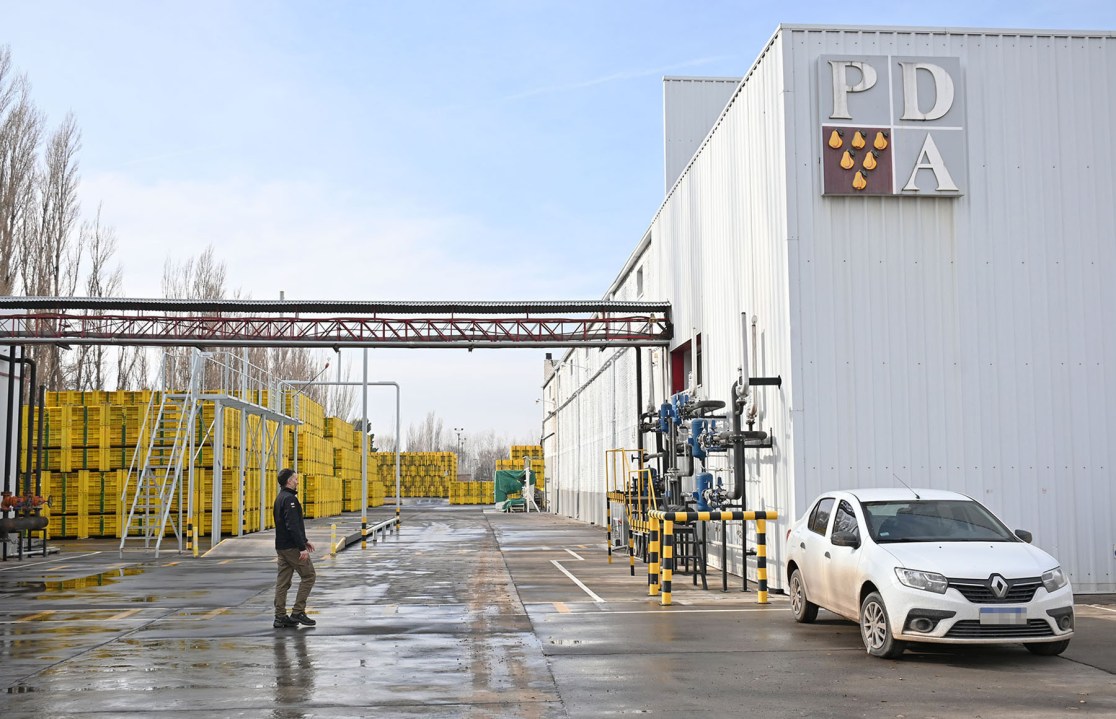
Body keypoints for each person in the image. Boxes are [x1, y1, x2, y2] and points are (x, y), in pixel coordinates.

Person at [273, 468, 317, 628]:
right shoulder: (290, 500)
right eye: (296, 479)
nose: (298, 482)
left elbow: (288, 525)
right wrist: (301, 547)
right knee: (309, 576)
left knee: (283, 582)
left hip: (281, 546)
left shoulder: (280, 498)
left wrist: (304, 540)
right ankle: (298, 611)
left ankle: (280, 617)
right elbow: (292, 525)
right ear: (289, 481)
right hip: (291, 547)